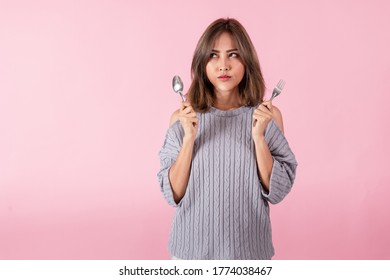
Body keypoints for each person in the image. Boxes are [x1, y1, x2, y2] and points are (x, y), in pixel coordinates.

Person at [157, 18, 297, 260]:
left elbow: (277, 192)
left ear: (247, 61)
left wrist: (259, 138)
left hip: (250, 255)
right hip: (190, 254)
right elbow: (173, 195)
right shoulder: (181, 119)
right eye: (213, 55)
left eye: (233, 54)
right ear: (202, 63)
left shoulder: (268, 116)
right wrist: (189, 138)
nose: (223, 66)